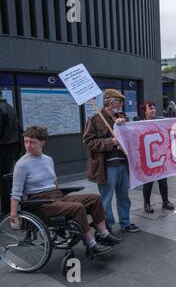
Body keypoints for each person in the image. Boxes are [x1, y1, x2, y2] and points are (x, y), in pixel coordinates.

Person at [9, 126, 121, 255]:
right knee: (77, 207)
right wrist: (13, 214)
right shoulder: (21, 165)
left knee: (94, 198)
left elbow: (54, 181)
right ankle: (91, 244)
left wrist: (62, 196)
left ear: (42, 142)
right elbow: (16, 192)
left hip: (56, 196)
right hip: (40, 202)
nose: (28, 145)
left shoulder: (47, 159)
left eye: (32, 142)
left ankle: (104, 234)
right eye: (26, 141)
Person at [83, 89, 140, 233]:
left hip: (122, 163)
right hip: (106, 166)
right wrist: (111, 142)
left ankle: (125, 222)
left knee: (124, 196)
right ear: (109, 102)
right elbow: (89, 142)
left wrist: (123, 124)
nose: (121, 104)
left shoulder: (121, 117)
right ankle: (107, 226)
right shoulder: (95, 119)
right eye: (118, 101)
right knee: (106, 199)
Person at [137, 100, 175, 213]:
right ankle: (147, 204)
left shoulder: (160, 121)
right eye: (151, 108)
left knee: (163, 180)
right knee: (148, 182)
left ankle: (165, 201)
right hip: (147, 158)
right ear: (145, 111)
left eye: (154, 108)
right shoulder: (138, 124)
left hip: (160, 157)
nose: (154, 110)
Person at [0, 93, 21, 216]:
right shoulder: (8, 106)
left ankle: (5, 210)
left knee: (3, 181)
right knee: (6, 179)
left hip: (3, 148)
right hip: (11, 148)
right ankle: (7, 207)